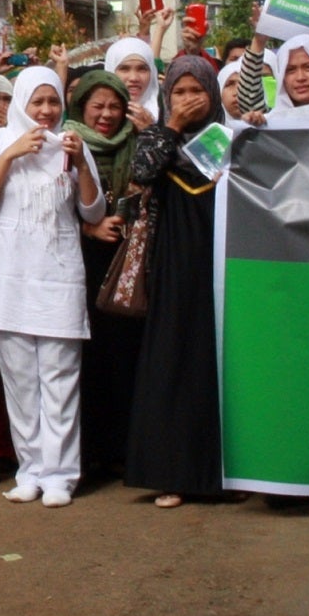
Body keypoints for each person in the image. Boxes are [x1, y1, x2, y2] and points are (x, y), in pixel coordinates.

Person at [0, 66, 104, 507]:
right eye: (36, 102)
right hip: (10, 277)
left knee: (60, 379)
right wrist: (10, 155)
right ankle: (30, 471)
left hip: (59, 275)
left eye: (52, 103)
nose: (45, 111)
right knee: (20, 381)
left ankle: (62, 475)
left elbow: (93, 211)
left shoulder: (72, 142)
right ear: (21, 103)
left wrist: (81, 160)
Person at [126, 55, 233, 508]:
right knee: (175, 360)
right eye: (179, 92)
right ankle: (173, 473)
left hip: (225, 262)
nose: (189, 100)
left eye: (197, 91)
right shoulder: (158, 138)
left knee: (222, 365)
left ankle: (225, 475)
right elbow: (143, 171)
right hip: (174, 265)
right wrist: (169, 126)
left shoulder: (231, 138)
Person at [66, 68, 142, 476]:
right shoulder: (64, 142)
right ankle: (92, 452)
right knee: (88, 359)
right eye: (98, 106)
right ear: (81, 107)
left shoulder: (136, 138)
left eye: (115, 106)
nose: (107, 115)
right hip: (81, 261)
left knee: (125, 355)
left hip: (128, 262)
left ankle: (124, 449)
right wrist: (89, 227)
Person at [241, 35, 309, 126]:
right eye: (290, 70)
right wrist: (258, 41)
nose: (300, 77)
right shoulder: (268, 123)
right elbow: (248, 95)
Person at [104, 35, 162, 129]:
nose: (134, 78)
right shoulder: (97, 114)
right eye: (124, 69)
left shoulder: (167, 111)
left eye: (142, 69)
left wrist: (151, 132)